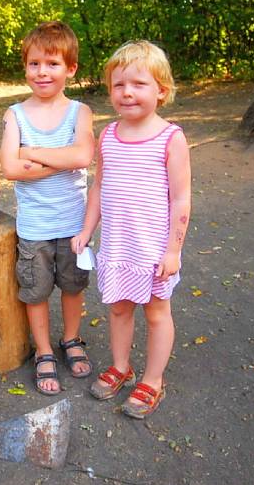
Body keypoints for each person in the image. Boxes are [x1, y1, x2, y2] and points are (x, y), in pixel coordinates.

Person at [72, 40, 191, 418]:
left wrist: (173, 251)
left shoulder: (171, 138)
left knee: (157, 313)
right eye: (119, 84)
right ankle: (121, 366)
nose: (127, 92)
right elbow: (99, 187)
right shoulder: (107, 136)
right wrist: (87, 229)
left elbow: (181, 200)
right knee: (119, 309)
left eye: (139, 84)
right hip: (118, 246)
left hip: (154, 251)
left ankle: (153, 380)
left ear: (161, 90)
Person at [0, 21, 95, 396]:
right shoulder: (15, 115)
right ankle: (43, 351)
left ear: (70, 69)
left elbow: (84, 155)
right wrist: (65, 158)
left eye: (52, 63)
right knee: (36, 291)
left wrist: (33, 153)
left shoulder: (80, 112)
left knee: (73, 286)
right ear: (25, 67)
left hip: (75, 224)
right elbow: (10, 169)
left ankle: (71, 339)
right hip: (35, 227)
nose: (43, 72)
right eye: (35, 63)